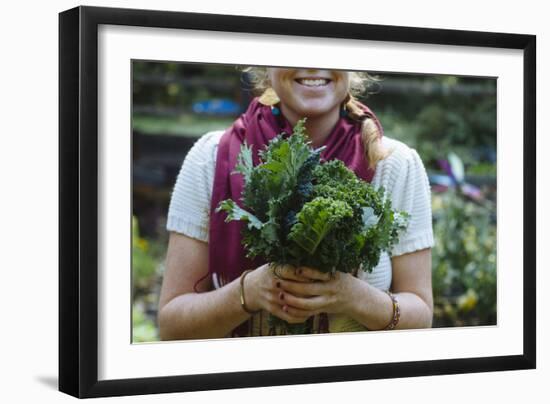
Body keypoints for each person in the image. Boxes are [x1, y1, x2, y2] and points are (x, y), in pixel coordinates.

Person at [158, 67, 434, 340]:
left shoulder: (395, 164)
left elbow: (421, 317)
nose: (313, 64)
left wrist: (354, 297)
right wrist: (249, 292)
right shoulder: (211, 158)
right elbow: (172, 327)